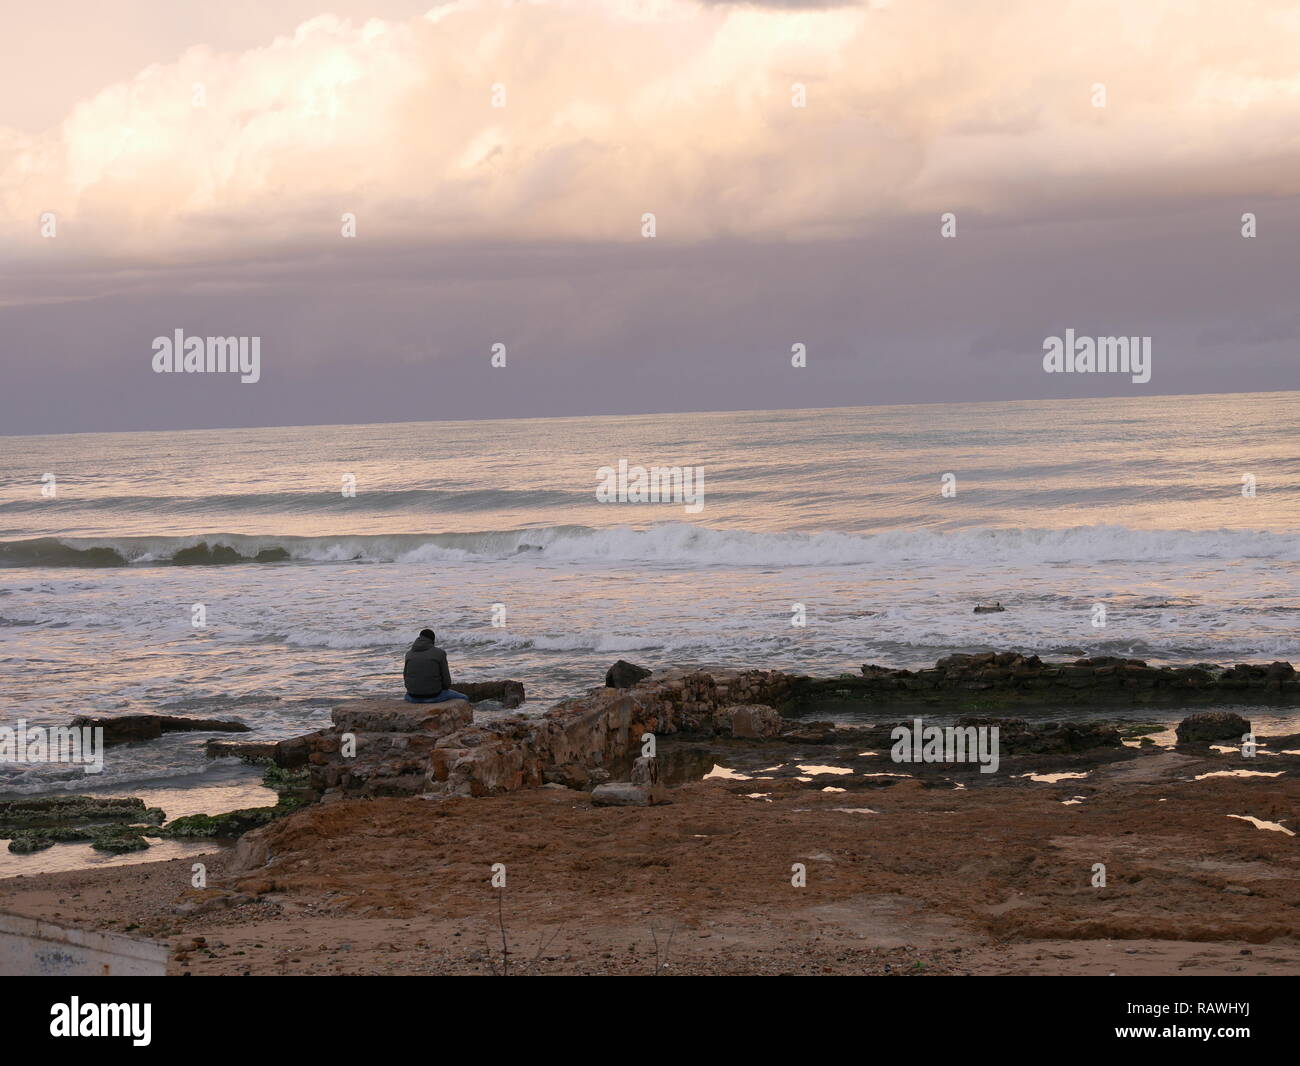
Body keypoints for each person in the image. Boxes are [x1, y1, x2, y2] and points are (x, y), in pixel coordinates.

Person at [403, 629, 467, 703]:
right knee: (464, 698)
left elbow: (405, 676)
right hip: (434, 696)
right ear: (432, 640)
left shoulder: (409, 654)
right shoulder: (439, 653)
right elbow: (446, 682)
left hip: (412, 697)